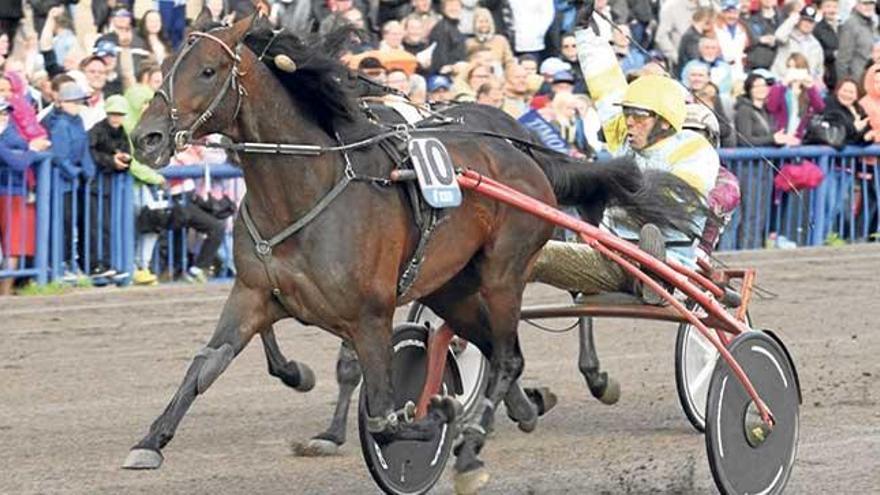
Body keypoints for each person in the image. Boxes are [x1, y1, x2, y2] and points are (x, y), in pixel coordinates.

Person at [530, 25, 720, 304]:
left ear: (664, 121)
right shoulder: (628, 139)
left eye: (638, 116)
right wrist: (584, 31)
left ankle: (656, 276)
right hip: (613, 256)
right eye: (627, 114)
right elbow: (604, 84)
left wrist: (608, 193)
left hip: (672, 261)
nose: (628, 122)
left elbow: (674, 204)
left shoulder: (694, 149)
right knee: (524, 249)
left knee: (535, 254)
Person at [44, 82, 96, 278]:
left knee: (76, 221)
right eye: (72, 101)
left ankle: (73, 262)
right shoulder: (59, 124)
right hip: (61, 183)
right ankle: (61, 263)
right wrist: (75, 172)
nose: (76, 105)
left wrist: (89, 170)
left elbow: (84, 149)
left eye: (78, 101)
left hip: (76, 182)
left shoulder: (79, 121)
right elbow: (60, 156)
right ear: (62, 102)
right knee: (63, 223)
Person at [86, 95, 133, 282]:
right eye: (113, 114)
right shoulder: (96, 131)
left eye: (120, 114)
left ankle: (107, 263)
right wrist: (111, 161)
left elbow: (128, 154)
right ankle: (95, 264)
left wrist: (124, 160)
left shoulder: (122, 132)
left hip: (109, 186)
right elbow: (91, 153)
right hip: (94, 185)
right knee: (94, 227)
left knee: (107, 226)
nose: (116, 118)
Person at [0, 98, 40, 296]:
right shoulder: (9, 136)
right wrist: (31, 151)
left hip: (13, 192)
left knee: (12, 245)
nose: (4, 117)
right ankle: (4, 292)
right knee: (11, 245)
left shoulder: (10, 132)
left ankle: (5, 292)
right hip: (10, 193)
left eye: (5, 113)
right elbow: (18, 162)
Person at [767, 53, 826, 144]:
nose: (793, 71)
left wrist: (811, 87)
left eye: (797, 68)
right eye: (790, 67)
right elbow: (771, 107)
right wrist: (784, 84)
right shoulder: (779, 87)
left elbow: (820, 108)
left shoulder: (809, 90)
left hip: (799, 140)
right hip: (781, 138)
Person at [735, 70, 792, 146]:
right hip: (752, 156)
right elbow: (744, 140)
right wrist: (772, 139)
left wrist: (780, 139)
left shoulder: (768, 110)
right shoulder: (744, 110)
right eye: (757, 86)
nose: (761, 89)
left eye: (764, 85)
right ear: (749, 90)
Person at [771, 4, 825, 81]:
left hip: (804, 86)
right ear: (799, 20)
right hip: (782, 81)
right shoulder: (787, 36)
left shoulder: (816, 45)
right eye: (805, 20)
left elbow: (819, 70)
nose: (807, 24)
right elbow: (778, 37)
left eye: (811, 22)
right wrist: (792, 19)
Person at [835, 0, 874, 87]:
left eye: (871, 3)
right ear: (857, 5)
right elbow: (842, 60)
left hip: (869, 79)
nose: (868, 6)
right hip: (856, 81)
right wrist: (843, 85)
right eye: (865, 3)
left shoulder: (870, 24)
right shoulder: (851, 25)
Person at [822, 78, 870, 144]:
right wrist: (855, 127)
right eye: (845, 91)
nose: (847, 95)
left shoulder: (858, 109)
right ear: (837, 91)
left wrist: (866, 137)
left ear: (856, 96)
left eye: (851, 92)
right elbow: (837, 131)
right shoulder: (829, 104)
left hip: (852, 151)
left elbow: (865, 132)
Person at [745, 0, 783, 70]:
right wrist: (760, 39)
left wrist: (776, 40)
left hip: (779, 64)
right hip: (757, 64)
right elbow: (747, 40)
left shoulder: (783, 18)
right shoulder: (751, 18)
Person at [813, 0, 839, 89]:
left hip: (844, 74)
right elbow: (815, 53)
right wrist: (832, 54)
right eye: (828, 7)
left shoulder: (843, 26)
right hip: (828, 76)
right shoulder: (817, 29)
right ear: (821, 9)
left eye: (834, 7)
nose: (832, 10)